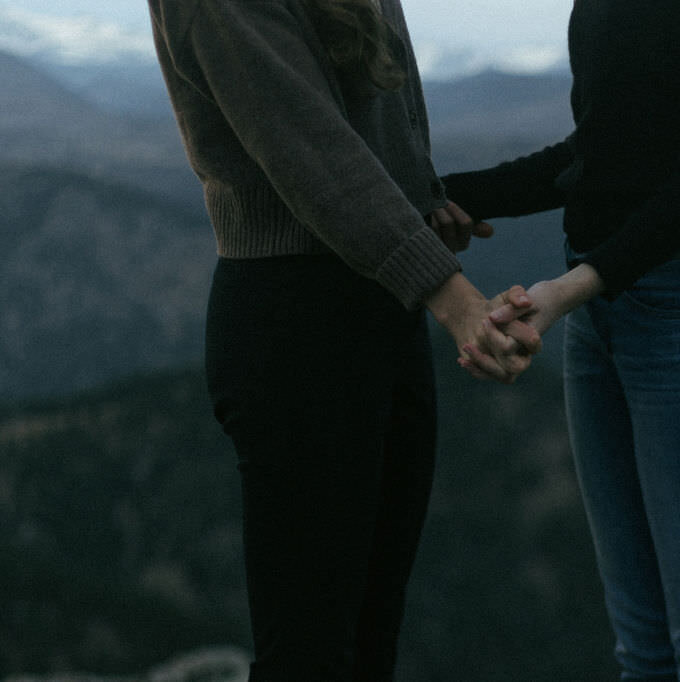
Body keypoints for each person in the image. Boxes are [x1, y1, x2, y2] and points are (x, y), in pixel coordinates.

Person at [147, 0, 539, 678]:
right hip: (294, 320)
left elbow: (382, 110)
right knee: (310, 651)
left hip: (381, 304)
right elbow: (305, 144)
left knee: (368, 638)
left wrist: (418, 206)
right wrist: (448, 291)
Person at [446, 1, 680, 679]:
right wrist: (452, 198)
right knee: (647, 653)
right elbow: (602, 151)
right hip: (608, 312)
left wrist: (570, 289)